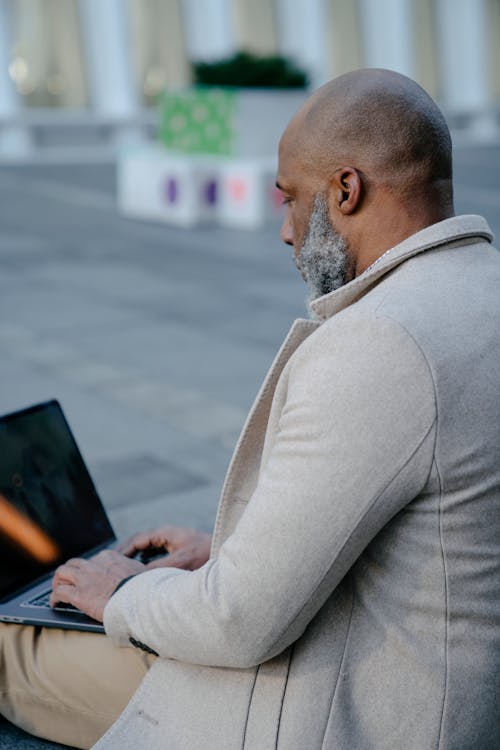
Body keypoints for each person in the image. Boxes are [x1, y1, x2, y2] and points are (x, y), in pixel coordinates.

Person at [1, 68, 499, 749]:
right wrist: (231, 552)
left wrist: (120, 591)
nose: (287, 232)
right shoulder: (480, 290)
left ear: (345, 190)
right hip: (448, 690)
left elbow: (237, 623)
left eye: (290, 199)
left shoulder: (380, 343)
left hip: (348, 716)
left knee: (10, 645)